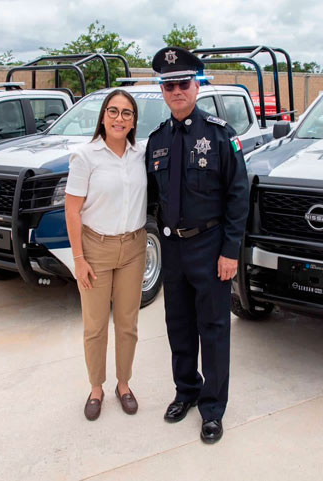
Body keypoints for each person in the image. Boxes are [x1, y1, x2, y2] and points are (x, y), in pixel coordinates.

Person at [145, 46, 249, 443]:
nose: (176, 91)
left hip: (210, 247)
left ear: (197, 85)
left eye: (183, 83)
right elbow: (151, 199)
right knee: (179, 326)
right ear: (163, 90)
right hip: (172, 248)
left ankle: (212, 408)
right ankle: (185, 391)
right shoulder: (157, 140)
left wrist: (230, 251)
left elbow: (238, 196)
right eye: (168, 85)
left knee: (214, 328)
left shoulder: (220, 135)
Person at [64, 89, 148, 421]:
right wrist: (79, 259)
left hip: (133, 247)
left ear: (133, 122)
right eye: (113, 111)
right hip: (95, 249)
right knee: (95, 325)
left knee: (128, 323)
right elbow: (72, 212)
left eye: (126, 113)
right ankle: (96, 387)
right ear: (102, 116)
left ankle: (123, 384)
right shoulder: (85, 157)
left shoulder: (140, 154)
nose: (119, 118)